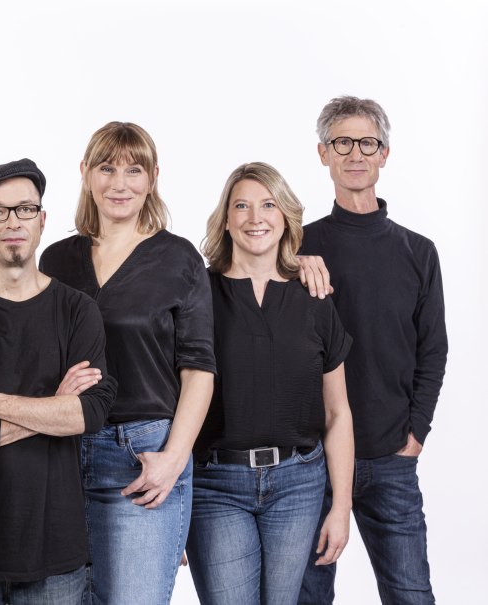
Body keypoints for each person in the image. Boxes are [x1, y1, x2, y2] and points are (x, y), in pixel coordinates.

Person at [39, 122, 216, 605]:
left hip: (143, 455)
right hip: (62, 453)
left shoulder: (178, 259)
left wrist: (174, 461)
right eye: (107, 168)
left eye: (134, 170)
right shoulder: (56, 260)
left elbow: (199, 370)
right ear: (85, 173)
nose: (120, 184)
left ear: (153, 177)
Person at [0, 158, 117, 604]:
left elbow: (88, 413)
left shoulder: (78, 310)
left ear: (42, 220)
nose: (14, 222)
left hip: (57, 552)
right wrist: (53, 408)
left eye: (25, 209)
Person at [298, 96, 448, 605]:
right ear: (324, 153)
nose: (355, 154)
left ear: (385, 153)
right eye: (342, 142)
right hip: (313, 459)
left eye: (367, 143)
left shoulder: (418, 252)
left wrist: (416, 434)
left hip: (390, 458)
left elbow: (433, 349)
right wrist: (291, 261)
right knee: (307, 598)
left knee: (411, 594)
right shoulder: (298, 248)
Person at [184, 162, 355, 605]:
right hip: (215, 485)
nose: (255, 217)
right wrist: (173, 505)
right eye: (241, 206)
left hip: (298, 484)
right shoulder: (198, 294)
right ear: (226, 219)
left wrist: (341, 507)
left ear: (286, 216)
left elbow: (337, 412)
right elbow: (174, 401)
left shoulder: (315, 297)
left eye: (268, 205)